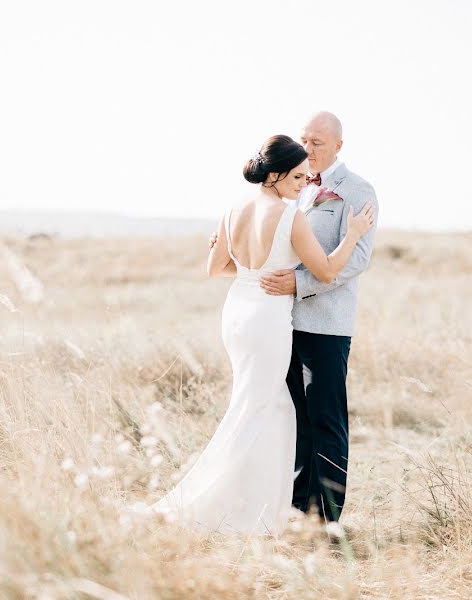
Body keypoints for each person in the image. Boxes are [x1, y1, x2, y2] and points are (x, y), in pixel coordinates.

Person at [150, 134, 374, 535]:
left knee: (254, 404)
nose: (304, 183)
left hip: (237, 313)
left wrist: (255, 274)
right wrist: (353, 234)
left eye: (308, 176)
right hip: (268, 321)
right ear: (274, 174)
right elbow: (325, 271)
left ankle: (255, 503)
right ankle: (238, 508)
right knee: (269, 410)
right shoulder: (290, 217)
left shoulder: (233, 207)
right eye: (298, 176)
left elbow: (216, 268)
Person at [259, 112, 379, 523]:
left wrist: (299, 284)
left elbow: (355, 261)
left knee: (326, 421)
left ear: (339, 146)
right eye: (304, 140)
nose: (308, 149)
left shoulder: (358, 191)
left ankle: (328, 520)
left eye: (318, 143)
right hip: (284, 324)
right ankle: (299, 513)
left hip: (327, 325)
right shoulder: (296, 189)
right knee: (297, 422)